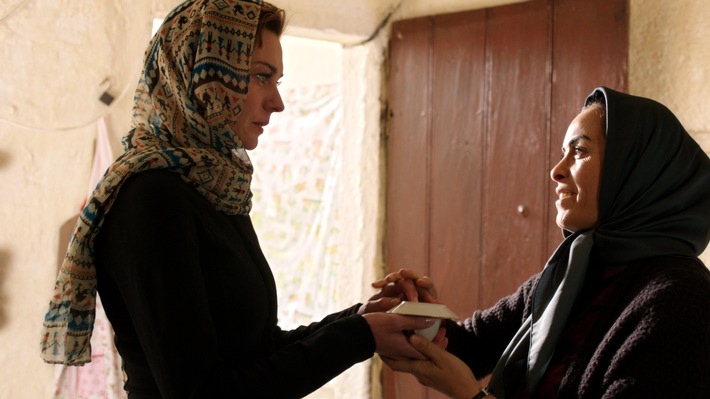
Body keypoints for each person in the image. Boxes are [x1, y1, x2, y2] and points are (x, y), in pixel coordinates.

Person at [40, 1, 436, 398]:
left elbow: (255, 352)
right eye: (261, 76)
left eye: (276, 80)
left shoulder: (212, 186)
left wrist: (362, 318)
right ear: (204, 77)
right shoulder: (150, 198)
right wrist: (357, 337)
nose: (277, 102)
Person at [377, 87, 710, 398]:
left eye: (579, 152)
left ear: (638, 172)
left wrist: (472, 396)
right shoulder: (571, 274)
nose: (556, 171)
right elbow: (471, 346)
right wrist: (415, 314)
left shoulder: (679, 301)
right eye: (563, 153)